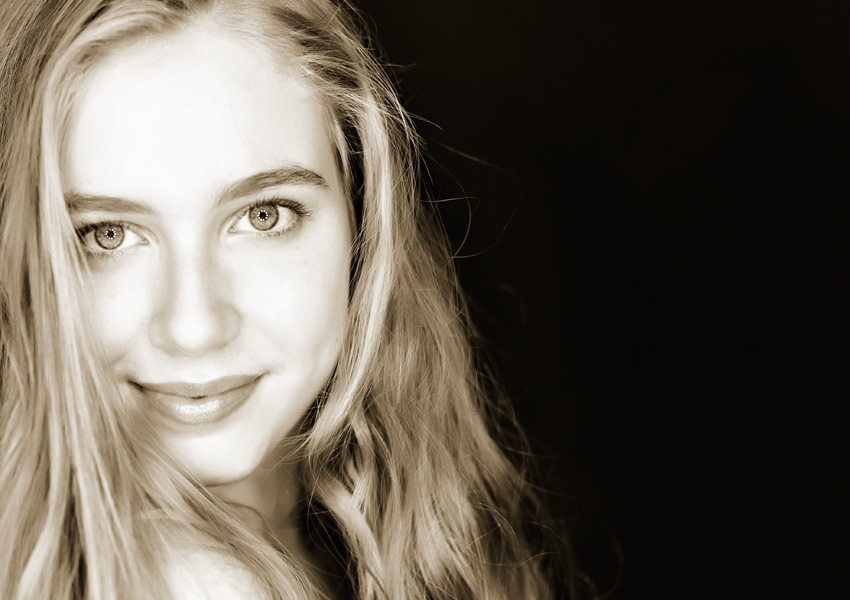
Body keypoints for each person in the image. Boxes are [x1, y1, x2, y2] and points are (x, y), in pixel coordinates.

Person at [0, 0, 575, 598]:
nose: (195, 328)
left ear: (361, 216)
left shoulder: (366, 524)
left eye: (263, 216)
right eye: (106, 235)